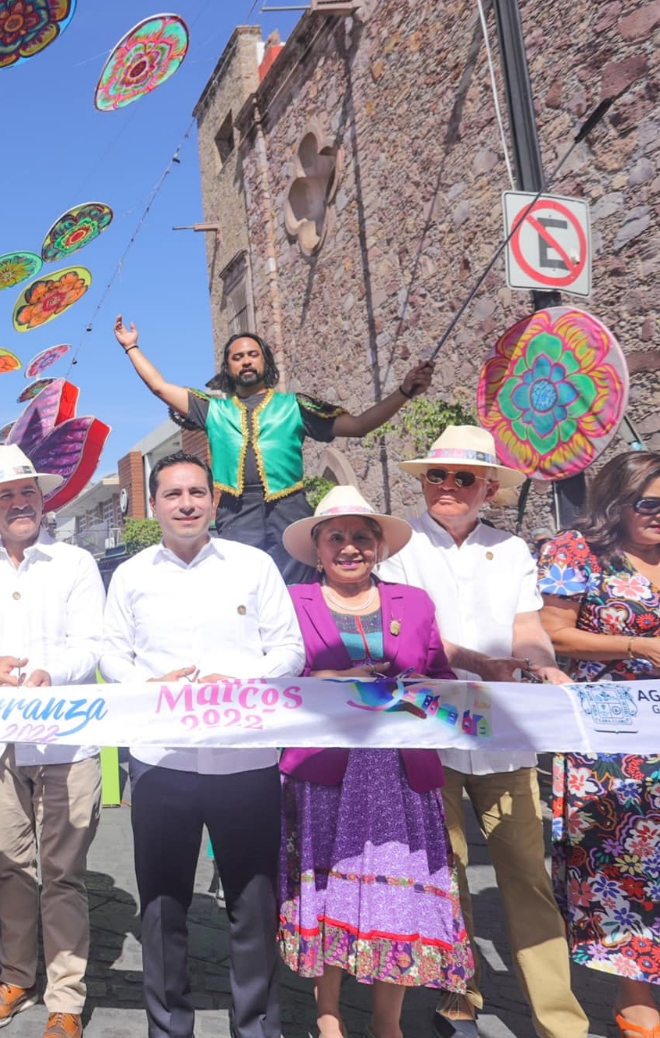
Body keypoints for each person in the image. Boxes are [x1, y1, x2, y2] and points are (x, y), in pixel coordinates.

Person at [376, 426, 586, 1038]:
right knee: (445, 873)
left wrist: (541, 661)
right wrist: (480, 663)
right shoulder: (399, 547)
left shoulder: (513, 549)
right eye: (437, 476)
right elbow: (409, 637)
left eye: (463, 477)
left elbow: (527, 627)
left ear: (488, 488)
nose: (448, 487)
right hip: (429, 732)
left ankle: (560, 1022)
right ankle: (457, 999)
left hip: (503, 732)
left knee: (528, 878)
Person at [100, 451, 303, 1038]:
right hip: (162, 762)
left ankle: (258, 1028)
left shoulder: (254, 565)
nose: (186, 504)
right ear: (155, 504)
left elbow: (288, 649)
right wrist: (147, 685)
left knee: (253, 907)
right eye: (172, 494)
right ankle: (168, 1028)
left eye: (196, 493)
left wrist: (243, 685)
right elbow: (112, 653)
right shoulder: (133, 573)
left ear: (214, 501)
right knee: (162, 909)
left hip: (246, 760)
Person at [277, 486, 472, 1038]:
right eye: (335, 537)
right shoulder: (293, 603)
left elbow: (442, 680)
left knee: (399, 899)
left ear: (379, 546)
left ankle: (388, 1025)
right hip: (324, 773)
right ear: (317, 549)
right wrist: (333, 682)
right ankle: (330, 1018)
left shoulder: (415, 604)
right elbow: (273, 681)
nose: (349, 547)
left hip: (400, 776)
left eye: (361, 536)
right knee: (328, 890)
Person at [537, 451, 660, 1038]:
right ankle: (640, 1009)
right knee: (625, 875)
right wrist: (641, 647)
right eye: (649, 503)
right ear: (616, 500)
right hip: (612, 752)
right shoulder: (575, 551)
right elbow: (554, 631)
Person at [0, 445, 104, 1038]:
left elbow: (92, 641)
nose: (19, 504)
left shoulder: (75, 563)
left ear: (43, 500)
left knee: (64, 872)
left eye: (27, 493)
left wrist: (51, 672)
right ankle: (16, 976)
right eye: (5, 496)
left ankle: (65, 995)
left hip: (67, 737)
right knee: (11, 864)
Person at [112, 319, 433, 582]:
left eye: (252, 354)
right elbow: (160, 387)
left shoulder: (295, 405)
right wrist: (131, 346)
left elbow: (359, 425)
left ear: (264, 361)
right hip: (236, 510)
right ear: (228, 367)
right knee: (240, 582)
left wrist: (404, 392)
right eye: (237, 357)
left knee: (298, 583)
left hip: (289, 506)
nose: (246, 360)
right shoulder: (214, 410)